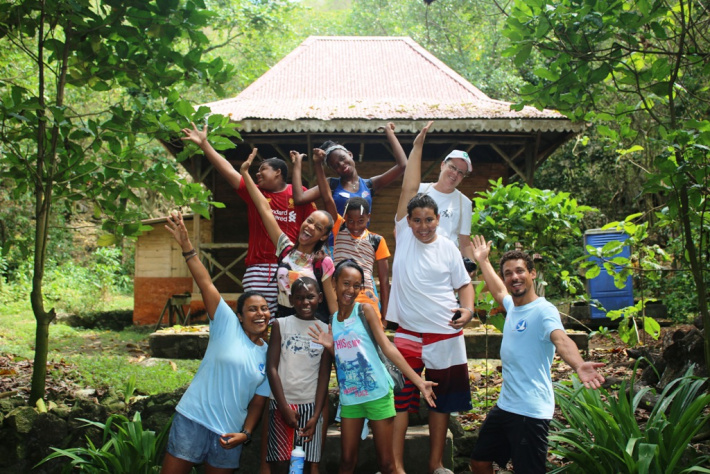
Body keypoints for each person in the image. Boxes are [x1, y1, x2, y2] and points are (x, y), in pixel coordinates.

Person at [468, 235, 605, 474]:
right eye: (509, 273)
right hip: (506, 405)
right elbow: (499, 291)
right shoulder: (513, 306)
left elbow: (561, 339)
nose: (514, 277)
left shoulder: (544, 310)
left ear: (532, 274)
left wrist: (579, 364)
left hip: (530, 411)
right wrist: (483, 261)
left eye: (520, 271)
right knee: (479, 461)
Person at [387, 121, 475, 474]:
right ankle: (395, 466)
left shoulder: (449, 249)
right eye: (417, 220)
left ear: (439, 219)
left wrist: (467, 309)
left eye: (430, 220)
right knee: (400, 403)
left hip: (447, 335)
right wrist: (419, 143)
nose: (423, 225)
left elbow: (464, 284)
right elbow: (410, 182)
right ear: (407, 221)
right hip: (407, 333)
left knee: (441, 405)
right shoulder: (404, 235)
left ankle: (436, 464)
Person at [160, 212, 270, 474]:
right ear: (240, 316)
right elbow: (205, 282)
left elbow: (258, 400)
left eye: (265, 309)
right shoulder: (226, 324)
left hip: (228, 435)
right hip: (193, 420)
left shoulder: (269, 354)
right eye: (252, 309)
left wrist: (246, 432)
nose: (260, 314)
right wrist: (187, 246)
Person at [309, 260, 437, 474]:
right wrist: (331, 347)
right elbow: (344, 358)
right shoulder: (333, 319)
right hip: (351, 398)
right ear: (334, 283)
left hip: (377, 393)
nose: (350, 290)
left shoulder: (365, 310)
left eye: (356, 285)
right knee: (347, 461)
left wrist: (419, 382)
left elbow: (388, 347)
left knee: (387, 464)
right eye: (346, 283)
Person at [181, 123, 316, 315]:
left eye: (263, 169)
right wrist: (205, 145)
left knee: (289, 319)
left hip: (291, 266)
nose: (258, 173)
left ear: (278, 172)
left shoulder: (299, 194)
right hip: (258, 268)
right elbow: (228, 171)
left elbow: (315, 227)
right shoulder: (255, 193)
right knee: (256, 318)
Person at [238, 150, 337, 321]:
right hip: (284, 326)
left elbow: (333, 306)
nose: (310, 227)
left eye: (318, 227)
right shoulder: (285, 248)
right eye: (309, 221)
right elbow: (264, 209)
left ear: (323, 236)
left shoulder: (323, 262)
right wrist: (245, 174)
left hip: (314, 330)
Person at [301, 149, 391, 324]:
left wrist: (386, 315)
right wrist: (318, 165)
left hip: (367, 299)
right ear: (345, 218)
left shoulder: (377, 241)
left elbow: (384, 280)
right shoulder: (339, 229)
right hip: (341, 299)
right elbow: (327, 198)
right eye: (350, 220)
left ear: (369, 218)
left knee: (370, 343)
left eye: (361, 221)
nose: (355, 226)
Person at [265, 277, 331, 474]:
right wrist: (284, 407)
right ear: (291, 299)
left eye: (310, 297)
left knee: (308, 464)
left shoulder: (325, 330)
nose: (305, 302)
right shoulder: (280, 325)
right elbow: (272, 368)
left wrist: (316, 415)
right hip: (282, 404)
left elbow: (324, 376)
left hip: (311, 406)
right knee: (281, 464)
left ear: (319, 298)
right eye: (300, 298)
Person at [291, 122, 408, 216]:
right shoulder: (331, 184)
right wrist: (297, 164)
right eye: (336, 165)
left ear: (350, 154)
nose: (341, 164)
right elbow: (300, 198)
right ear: (333, 169)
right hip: (335, 243)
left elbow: (402, 166)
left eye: (343, 158)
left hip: (360, 243)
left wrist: (389, 133)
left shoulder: (369, 185)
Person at [418, 149, 475, 260]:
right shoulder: (419, 190)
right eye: (453, 167)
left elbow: (465, 241)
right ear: (443, 165)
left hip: (447, 262)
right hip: (418, 257)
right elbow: (401, 226)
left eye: (461, 172)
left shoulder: (465, 203)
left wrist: (471, 266)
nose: (455, 174)